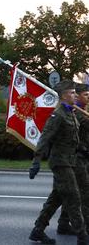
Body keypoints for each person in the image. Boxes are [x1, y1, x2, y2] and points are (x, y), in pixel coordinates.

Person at [28, 80, 88, 245]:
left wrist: (82, 149)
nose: (75, 95)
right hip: (60, 163)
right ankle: (83, 237)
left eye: (75, 92)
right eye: (72, 93)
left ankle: (37, 230)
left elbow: (73, 140)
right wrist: (36, 161)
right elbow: (45, 138)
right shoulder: (58, 115)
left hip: (71, 161)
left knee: (56, 198)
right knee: (74, 197)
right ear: (63, 96)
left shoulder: (71, 113)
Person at [56, 83, 89, 235]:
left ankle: (63, 223)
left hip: (81, 157)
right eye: (85, 94)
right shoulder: (76, 113)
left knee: (68, 193)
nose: (88, 97)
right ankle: (83, 227)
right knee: (81, 192)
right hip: (76, 158)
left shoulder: (82, 111)